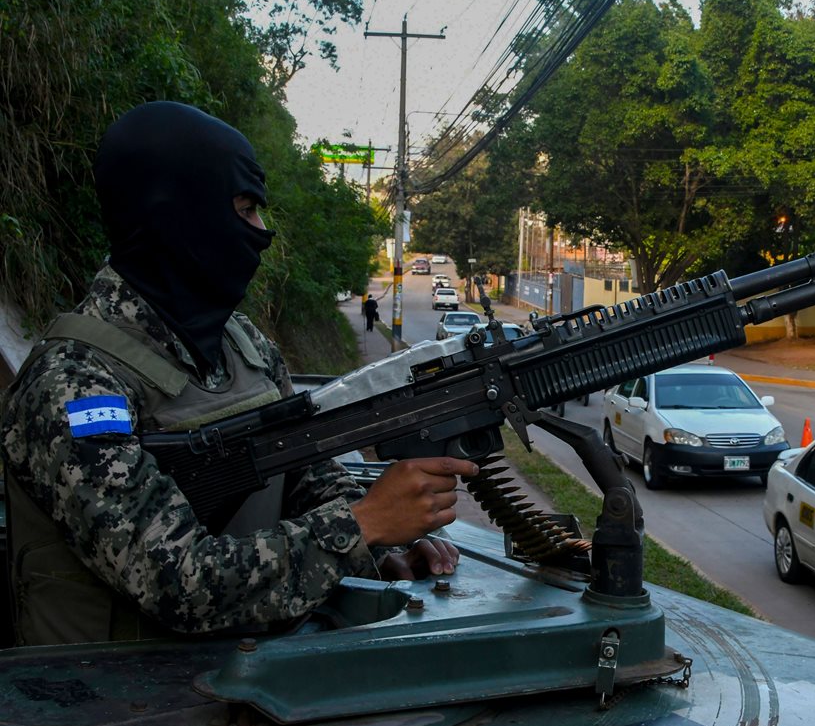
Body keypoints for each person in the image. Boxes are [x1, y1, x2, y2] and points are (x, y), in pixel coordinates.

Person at [0, 102, 476, 646]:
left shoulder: (242, 345)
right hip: (107, 705)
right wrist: (362, 524)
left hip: (249, 677)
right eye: (245, 209)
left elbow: (306, 476)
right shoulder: (74, 381)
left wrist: (386, 543)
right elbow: (175, 580)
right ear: (178, 214)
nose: (261, 232)